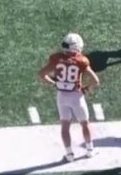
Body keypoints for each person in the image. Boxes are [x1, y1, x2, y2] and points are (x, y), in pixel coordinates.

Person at [38, 33, 100, 162]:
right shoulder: (82, 60)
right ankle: (90, 150)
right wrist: (86, 88)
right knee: (84, 124)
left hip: (61, 96)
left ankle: (69, 154)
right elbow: (95, 80)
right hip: (76, 96)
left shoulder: (55, 58)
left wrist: (54, 83)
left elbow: (42, 74)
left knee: (65, 126)